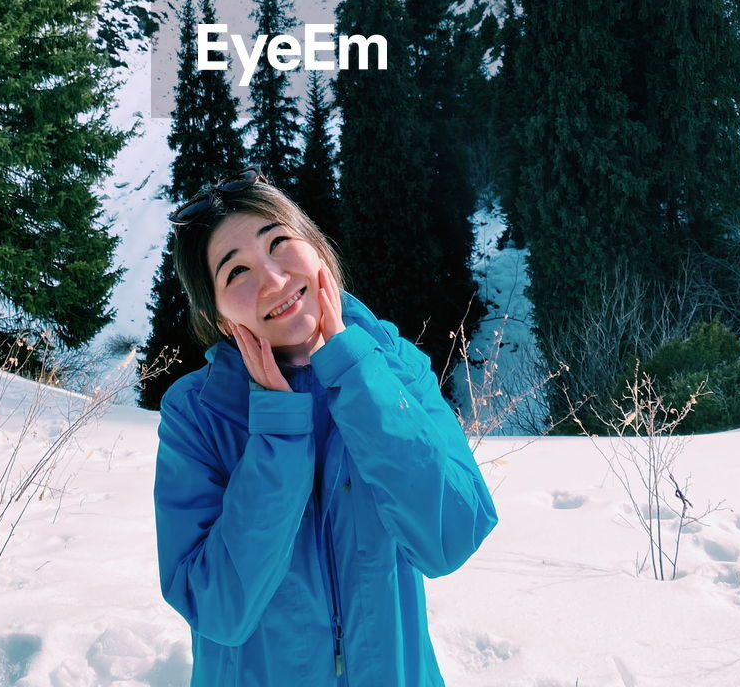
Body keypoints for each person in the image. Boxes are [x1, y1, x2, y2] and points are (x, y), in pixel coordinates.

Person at [153, 169, 497, 686]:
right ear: (222, 319)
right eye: (235, 272)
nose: (271, 279)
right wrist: (277, 432)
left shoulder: (394, 368)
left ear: (316, 249)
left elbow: (450, 537)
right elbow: (218, 608)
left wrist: (356, 376)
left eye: (279, 243)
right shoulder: (197, 414)